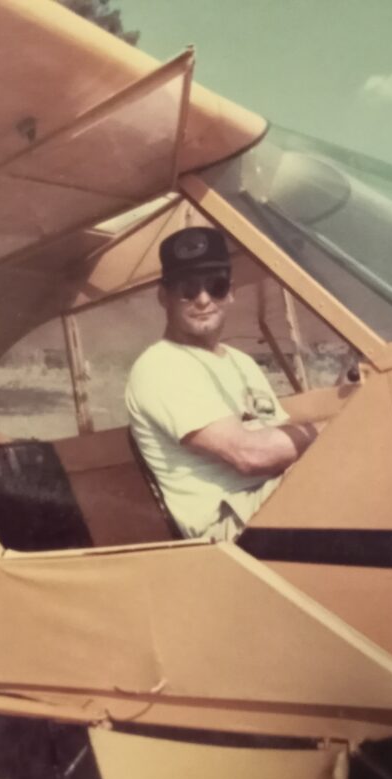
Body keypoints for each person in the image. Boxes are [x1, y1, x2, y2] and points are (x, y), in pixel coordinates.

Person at [126, 226, 317, 542]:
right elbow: (252, 455)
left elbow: (279, 437)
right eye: (187, 288)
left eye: (215, 286)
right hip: (230, 528)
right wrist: (329, 434)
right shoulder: (160, 365)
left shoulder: (241, 362)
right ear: (164, 296)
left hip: (269, 498)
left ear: (230, 292)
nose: (203, 299)